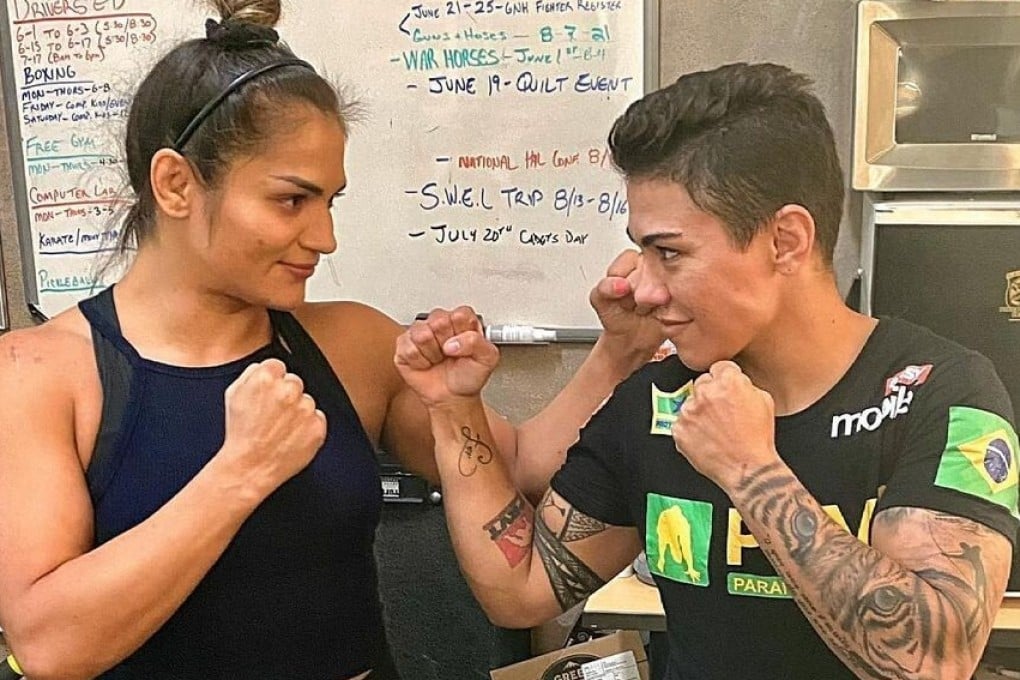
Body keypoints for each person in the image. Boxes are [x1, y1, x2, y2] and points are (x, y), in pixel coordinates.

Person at [0, 1, 665, 678]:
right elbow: (51, 646)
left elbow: (516, 468)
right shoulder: (42, 374)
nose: (324, 238)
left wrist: (619, 351)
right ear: (175, 184)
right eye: (292, 200)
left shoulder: (350, 343)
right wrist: (241, 474)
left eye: (330, 201)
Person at [396, 62, 1019, 680]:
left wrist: (750, 470)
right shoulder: (659, 397)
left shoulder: (945, 393)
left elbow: (933, 662)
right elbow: (522, 591)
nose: (641, 288)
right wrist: (454, 411)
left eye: (669, 252)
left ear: (786, 241)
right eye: (641, 250)